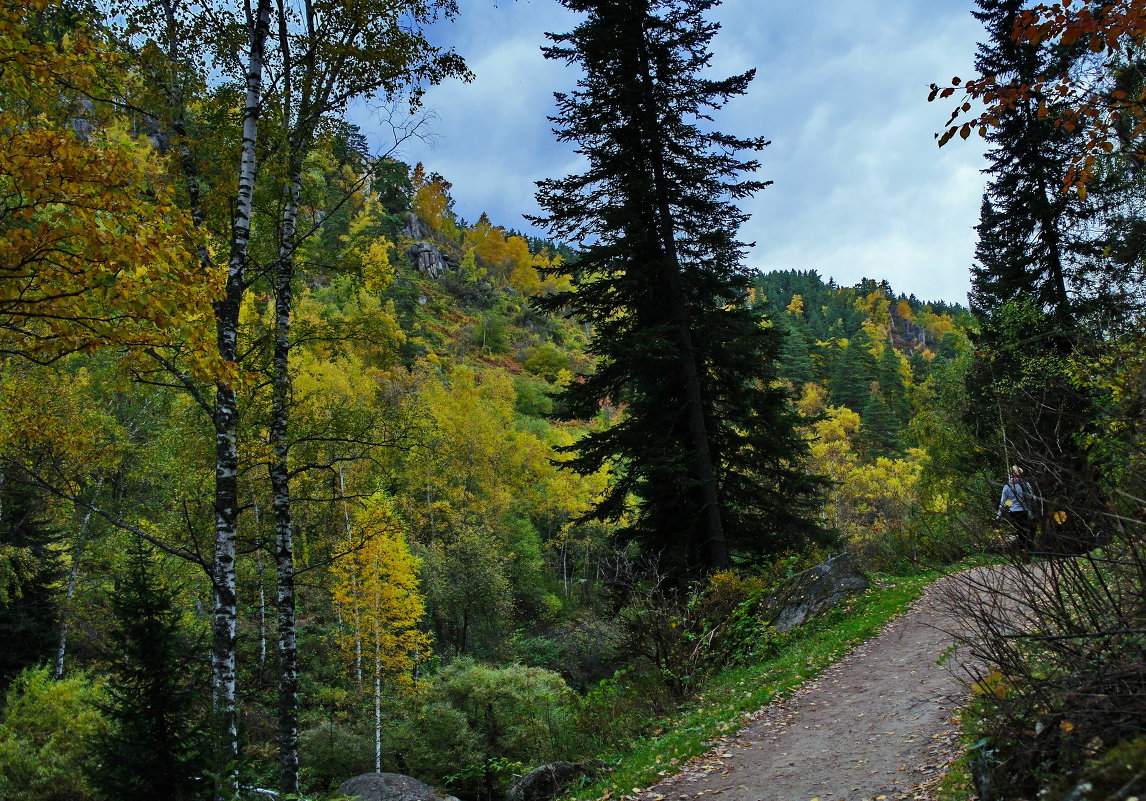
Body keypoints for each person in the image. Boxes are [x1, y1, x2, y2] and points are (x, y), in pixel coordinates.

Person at [997, 465, 1037, 557]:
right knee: (1026, 531)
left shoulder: (1007, 487)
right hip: (1025, 511)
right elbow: (1032, 498)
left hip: (1014, 512)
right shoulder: (1026, 485)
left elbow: (1002, 503)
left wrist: (998, 516)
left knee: (1020, 531)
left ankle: (1023, 550)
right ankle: (1026, 550)